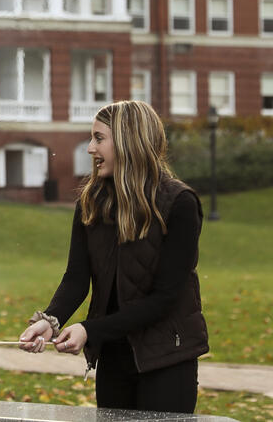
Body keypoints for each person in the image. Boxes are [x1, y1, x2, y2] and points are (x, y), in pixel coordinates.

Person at [19, 100, 209, 413]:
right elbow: (77, 277)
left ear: (128, 141)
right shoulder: (91, 201)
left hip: (167, 357)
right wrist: (50, 321)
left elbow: (165, 298)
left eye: (99, 138)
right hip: (113, 356)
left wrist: (90, 330)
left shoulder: (180, 203)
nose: (91, 148)